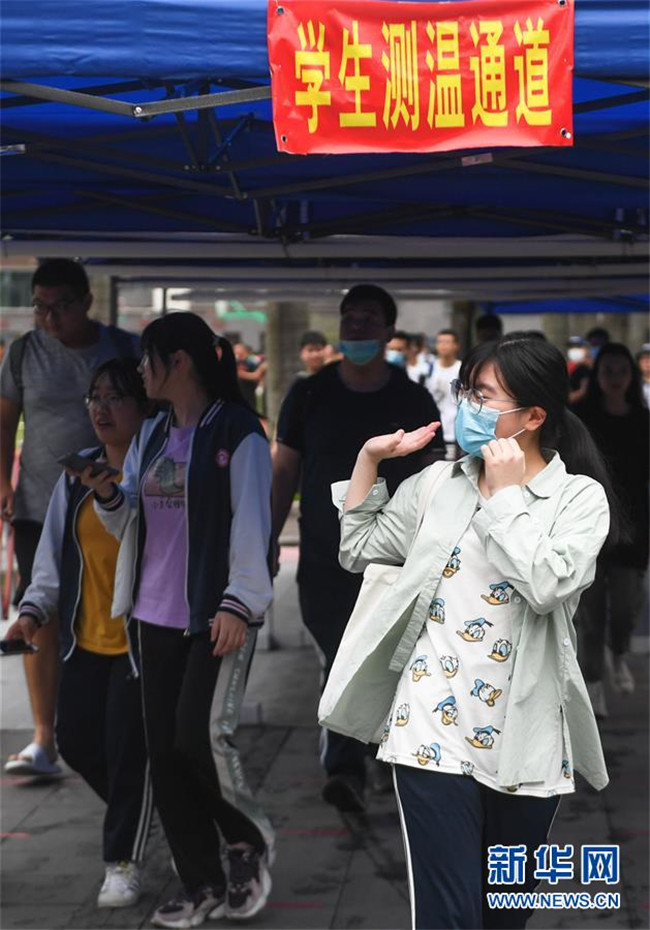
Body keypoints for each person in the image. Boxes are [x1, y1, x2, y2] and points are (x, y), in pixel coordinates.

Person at [331, 335, 617, 930]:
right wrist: (368, 460)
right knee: (447, 914)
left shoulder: (577, 498)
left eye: (483, 396)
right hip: (429, 727)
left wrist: (507, 497)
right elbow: (358, 548)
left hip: (527, 737)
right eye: (465, 391)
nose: (467, 406)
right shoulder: (438, 483)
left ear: (533, 416)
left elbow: (547, 585)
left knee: (503, 911)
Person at [81, 313, 274, 928]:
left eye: (148, 359)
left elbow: (253, 523)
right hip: (151, 616)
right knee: (163, 754)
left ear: (180, 362)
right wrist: (107, 493)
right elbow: (130, 520)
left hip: (215, 615)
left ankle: (246, 843)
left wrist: (240, 602)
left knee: (199, 737)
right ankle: (200, 881)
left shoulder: (237, 431)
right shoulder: (154, 431)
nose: (141, 371)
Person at [272, 284, 444, 813]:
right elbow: (284, 470)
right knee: (339, 655)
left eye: (369, 318)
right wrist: (266, 538)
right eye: (349, 317)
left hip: (395, 559)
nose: (357, 327)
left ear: (389, 331)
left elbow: (434, 477)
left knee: (392, 658)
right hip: (325, 558)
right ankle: (346, 769)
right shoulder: (309, 393)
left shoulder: (411, 399)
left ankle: (379, 753)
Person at [4, 359, 153, 908]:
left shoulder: (159, 471)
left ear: (143, 407)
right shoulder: (77, 473)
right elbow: (51, 556)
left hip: (141, 643)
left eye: (115, 397)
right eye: (95, 397)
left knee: (126, 750)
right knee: (76, 742)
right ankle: (147, 809)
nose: (100, 408)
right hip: (85, 639)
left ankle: (122, 861)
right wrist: (33, 610)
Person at [1, 258, 139, 777]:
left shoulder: (121, 350)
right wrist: (3, 484)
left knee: (109, 603)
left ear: (87, 301)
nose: (50, 318)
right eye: (40, 307)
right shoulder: (23, 352)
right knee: (38, 610)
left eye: (60, 306)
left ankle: (116, 717)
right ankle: (45, 737)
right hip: (41, 503)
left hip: (117, 503)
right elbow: (4, 421)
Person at [573, 343, 649, 715]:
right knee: (589, 614)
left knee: (624, 607)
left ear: (631, 376)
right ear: (597, 376)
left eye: (622, 371)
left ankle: (618, 651)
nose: (615, 378)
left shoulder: (643, 420)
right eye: (608, 371)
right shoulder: (582, 418)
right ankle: (593, 684)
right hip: (589, 523)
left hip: (633, 527)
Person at [426, 329, 462, 459]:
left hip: (454, 431)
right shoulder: (429, 368)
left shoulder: (461, 369)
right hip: (432, 430)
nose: (443, 345)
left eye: (447, 342)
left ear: (456, 345)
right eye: (440, 342)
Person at [233, 341, 266, 411]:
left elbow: (258, 378)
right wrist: (262, 368)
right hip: (239, 397)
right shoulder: (234, 364)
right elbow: (255, 376)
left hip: (250, 395)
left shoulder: (250, 363)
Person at [566, 336, 592, 404]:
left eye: (578, 347)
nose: (574, 350)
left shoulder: (586, 368)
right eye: (571, 347)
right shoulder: (567, 366)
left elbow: (583, 391)